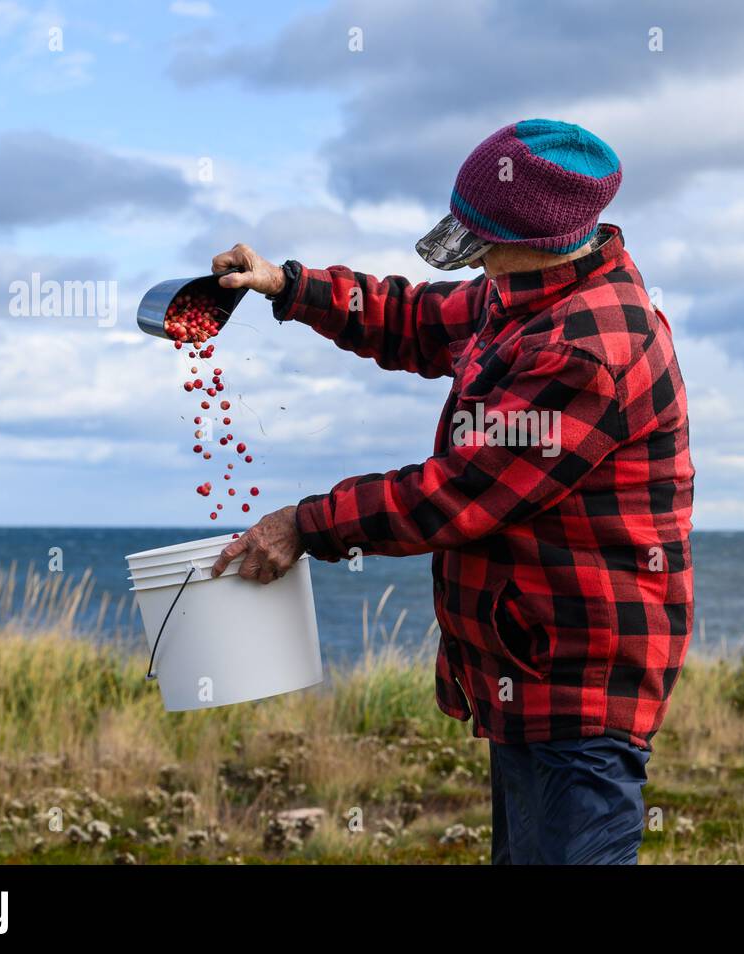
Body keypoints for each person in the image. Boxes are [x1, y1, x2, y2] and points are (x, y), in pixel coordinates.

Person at [209, 119, 694, 864]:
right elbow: (416, 318)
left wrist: (305, 525)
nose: (473, 255)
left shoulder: (585, 347)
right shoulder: (525, 291)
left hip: (582, 681)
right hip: (530, 662)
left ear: (536, 237)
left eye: (482, 238)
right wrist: (289, 285)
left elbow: (457, 493)